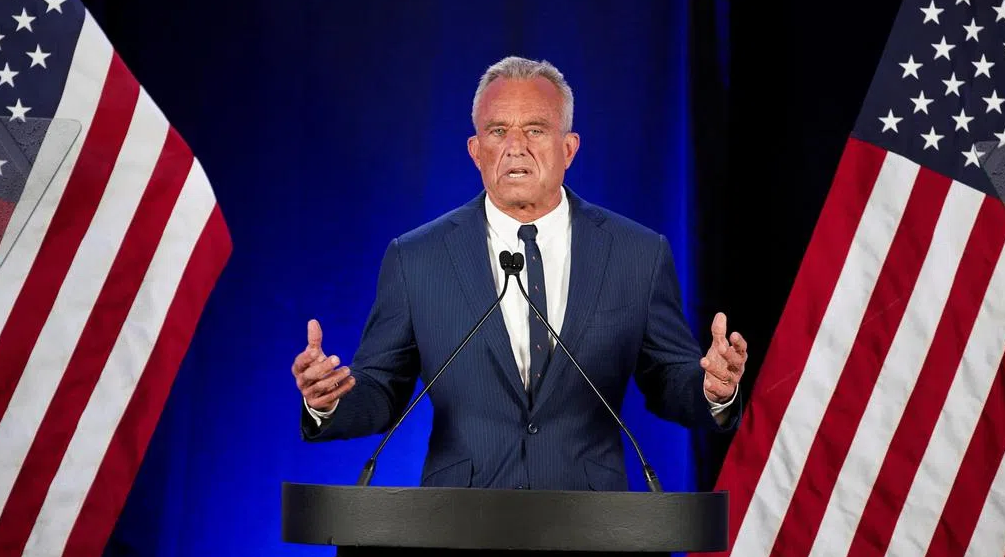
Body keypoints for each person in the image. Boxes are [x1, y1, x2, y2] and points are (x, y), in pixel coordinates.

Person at [291, 56, 748, 491]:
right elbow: (381, 389)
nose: (515, 147)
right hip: (456, 529)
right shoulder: (416, 258)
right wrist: (329, 401)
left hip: (592, 532)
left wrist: (712, 390)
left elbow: (668, 378)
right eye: (497, 131)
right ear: (475, 150)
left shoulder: (638, 254)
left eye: (535, 129)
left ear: (568, 149)